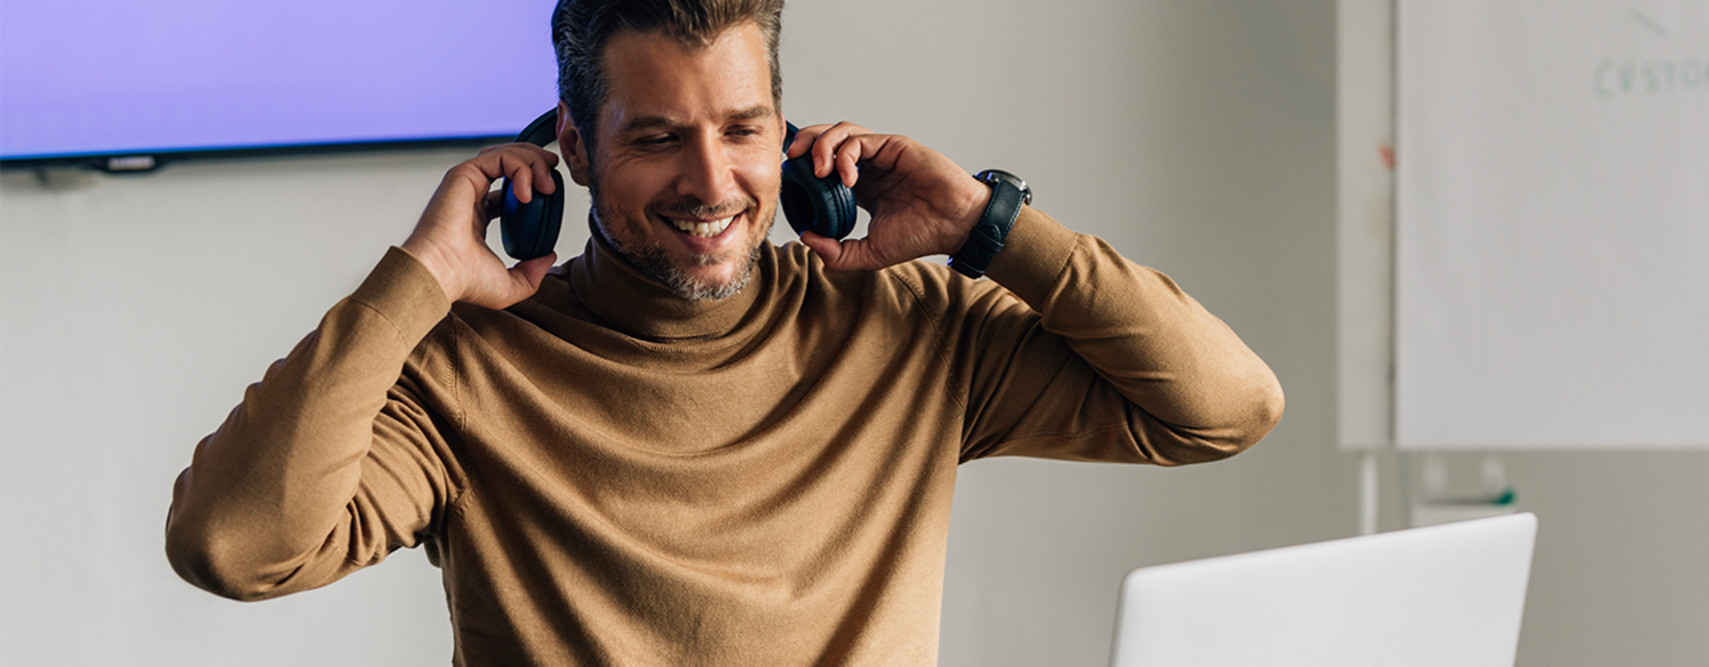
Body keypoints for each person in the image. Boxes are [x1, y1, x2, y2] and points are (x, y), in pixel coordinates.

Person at [163, 0, 1283, 664]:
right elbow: (232, 547)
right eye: (657, 137)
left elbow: (1228, 407)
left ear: (786, 138)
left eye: (743, 130)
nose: (713, 183)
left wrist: (990, 228)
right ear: (574, 146)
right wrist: (418, 280)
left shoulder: (904, 326)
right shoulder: (467, 372)